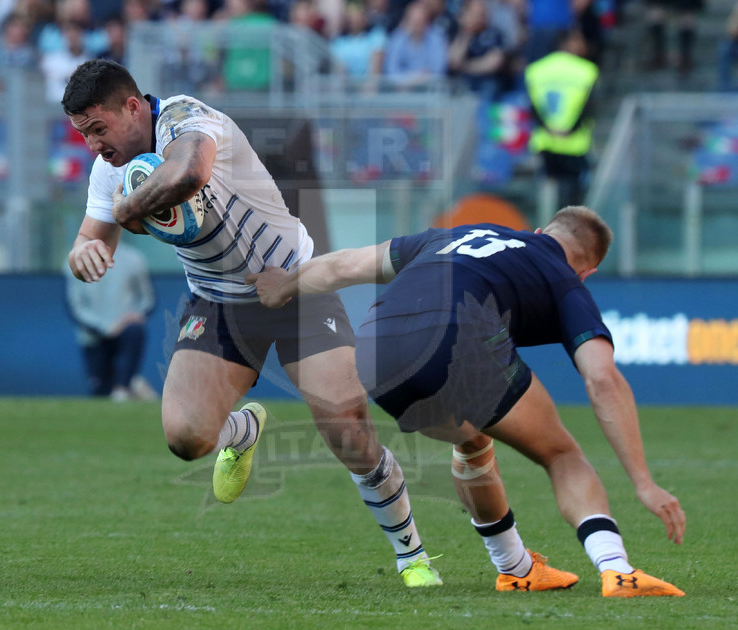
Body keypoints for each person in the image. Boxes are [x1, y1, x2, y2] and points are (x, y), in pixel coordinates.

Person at [62, 58, 578, 591]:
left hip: (293, 286)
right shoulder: (111, 171)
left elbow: (188, 173)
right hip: (217, 302)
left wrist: (126, 214)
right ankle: (241, 430)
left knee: (348, 428)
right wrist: (85, 252)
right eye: (84, 135)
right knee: (186, 439)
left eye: (98, 130)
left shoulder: (188, 119)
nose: (94, 146)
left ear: (132, 107)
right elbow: (92, 236)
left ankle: (412, 556)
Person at [248, 206, 687, 598]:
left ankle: (515, 569)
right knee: (562, 454)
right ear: (586, 271)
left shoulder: (450, 236)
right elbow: (602, 379)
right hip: (455, 342)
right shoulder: (564, 280)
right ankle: (618, 570)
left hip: (378, 353)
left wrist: (282, 286)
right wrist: (644, 482)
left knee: (473, 440)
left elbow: (345, 265)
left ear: (539, 230)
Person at [65, 241, 158, 401]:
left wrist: (135, 315)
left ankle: (124, 386)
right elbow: (75, 307)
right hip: (93, 336)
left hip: (126, 330)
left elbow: (147, 299)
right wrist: (105, 327)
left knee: (119, 395)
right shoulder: (75, 258)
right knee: (100, 393)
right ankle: (134, 384)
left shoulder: (134, 258)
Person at [524, 30, 598, 210]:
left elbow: (532, 106)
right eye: (579, 40)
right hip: (575, 144)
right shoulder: (587, 70)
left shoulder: (535, 69)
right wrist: (570, 130)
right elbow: (589, 107)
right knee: (574, 200)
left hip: (545, 142)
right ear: (566, 43)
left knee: (546, 198)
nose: (583, 45)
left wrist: (548, 128)